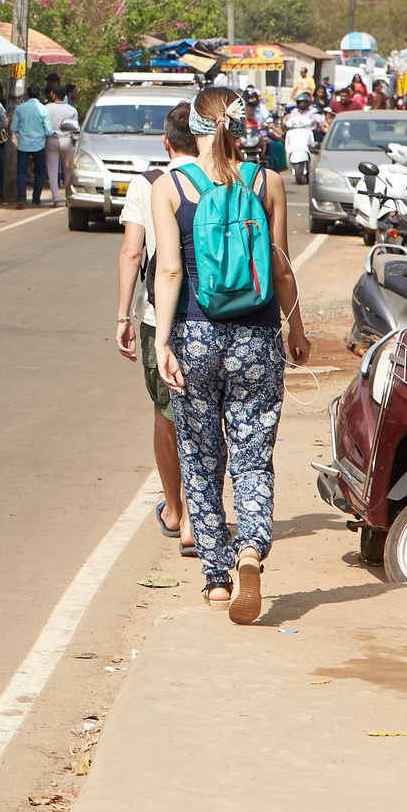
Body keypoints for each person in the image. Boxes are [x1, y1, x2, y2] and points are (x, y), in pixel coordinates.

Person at [150, 85, 310, 623]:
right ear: (242, 126)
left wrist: (161, 340)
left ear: (193, 127)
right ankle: (251, 549)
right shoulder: (267, 181)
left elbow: (170, 271)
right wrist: (296, 328)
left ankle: (216, 579)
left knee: (200, 455)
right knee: (253, 451)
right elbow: (281, 264)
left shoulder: (170, 186)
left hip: (195, 334)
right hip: (257, 336)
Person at [114, 122, 195, 559]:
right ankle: (201, 512)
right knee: (209, 410)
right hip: (217, 317)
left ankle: (176, 510)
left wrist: (123, 315)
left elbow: (132, 251)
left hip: (157, 318)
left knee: (167, 410)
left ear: (166, 141)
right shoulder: (224, 177)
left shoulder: (149, 184)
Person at [10, 87, 52, 207]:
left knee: (21, 172)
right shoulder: (44, 109)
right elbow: (49, 131)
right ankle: (36, 201)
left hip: (23, 144)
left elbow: (14, 128)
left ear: (27, 95)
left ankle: (21, 198)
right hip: (39, 144)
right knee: (39, 172)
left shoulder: (20, 108)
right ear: (39, 94)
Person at [42, 84, 82, 204]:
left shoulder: (47, 108)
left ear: (53, 95)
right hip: (67, 140)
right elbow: (75, 129)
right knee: (68, 171)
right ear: (65, 96)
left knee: (52, 171)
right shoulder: (71, 110)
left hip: (51, 140)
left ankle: (56, 199)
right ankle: (68, 197)